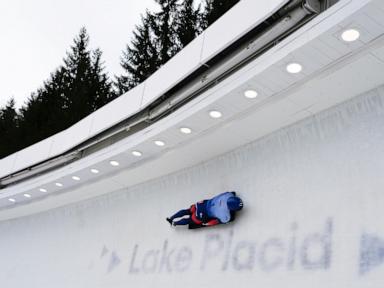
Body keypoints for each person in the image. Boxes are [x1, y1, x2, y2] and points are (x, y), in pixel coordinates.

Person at [166, 191, 243, 229]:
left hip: (201, 204)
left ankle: (171, 217)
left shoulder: (228, 195)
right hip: (202, 214)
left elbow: (230, 192)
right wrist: (207, 224)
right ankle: (175, 223)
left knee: (188, 211)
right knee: (190, 220)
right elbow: (217, 222)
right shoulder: (225, 215)